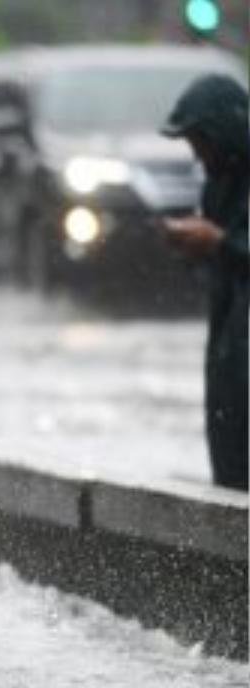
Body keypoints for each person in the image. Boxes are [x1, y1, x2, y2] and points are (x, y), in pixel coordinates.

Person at [160, 73, 248, 490]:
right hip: (228, 346)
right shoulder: (219, 187)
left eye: (200, 142)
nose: (197, 156)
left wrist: (221, 242)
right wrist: (200, 247)